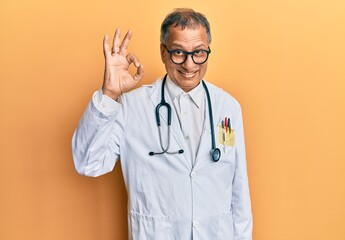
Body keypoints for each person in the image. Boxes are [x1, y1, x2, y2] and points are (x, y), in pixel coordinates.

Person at [72, 8, 252, 240]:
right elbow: (88, 164)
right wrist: (108, 95)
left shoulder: (228, 107)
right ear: (163, 52)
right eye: (178, 52)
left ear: (208, 50)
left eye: (198, 52)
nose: (189, 65)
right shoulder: (131, 107)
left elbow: (239, 194)